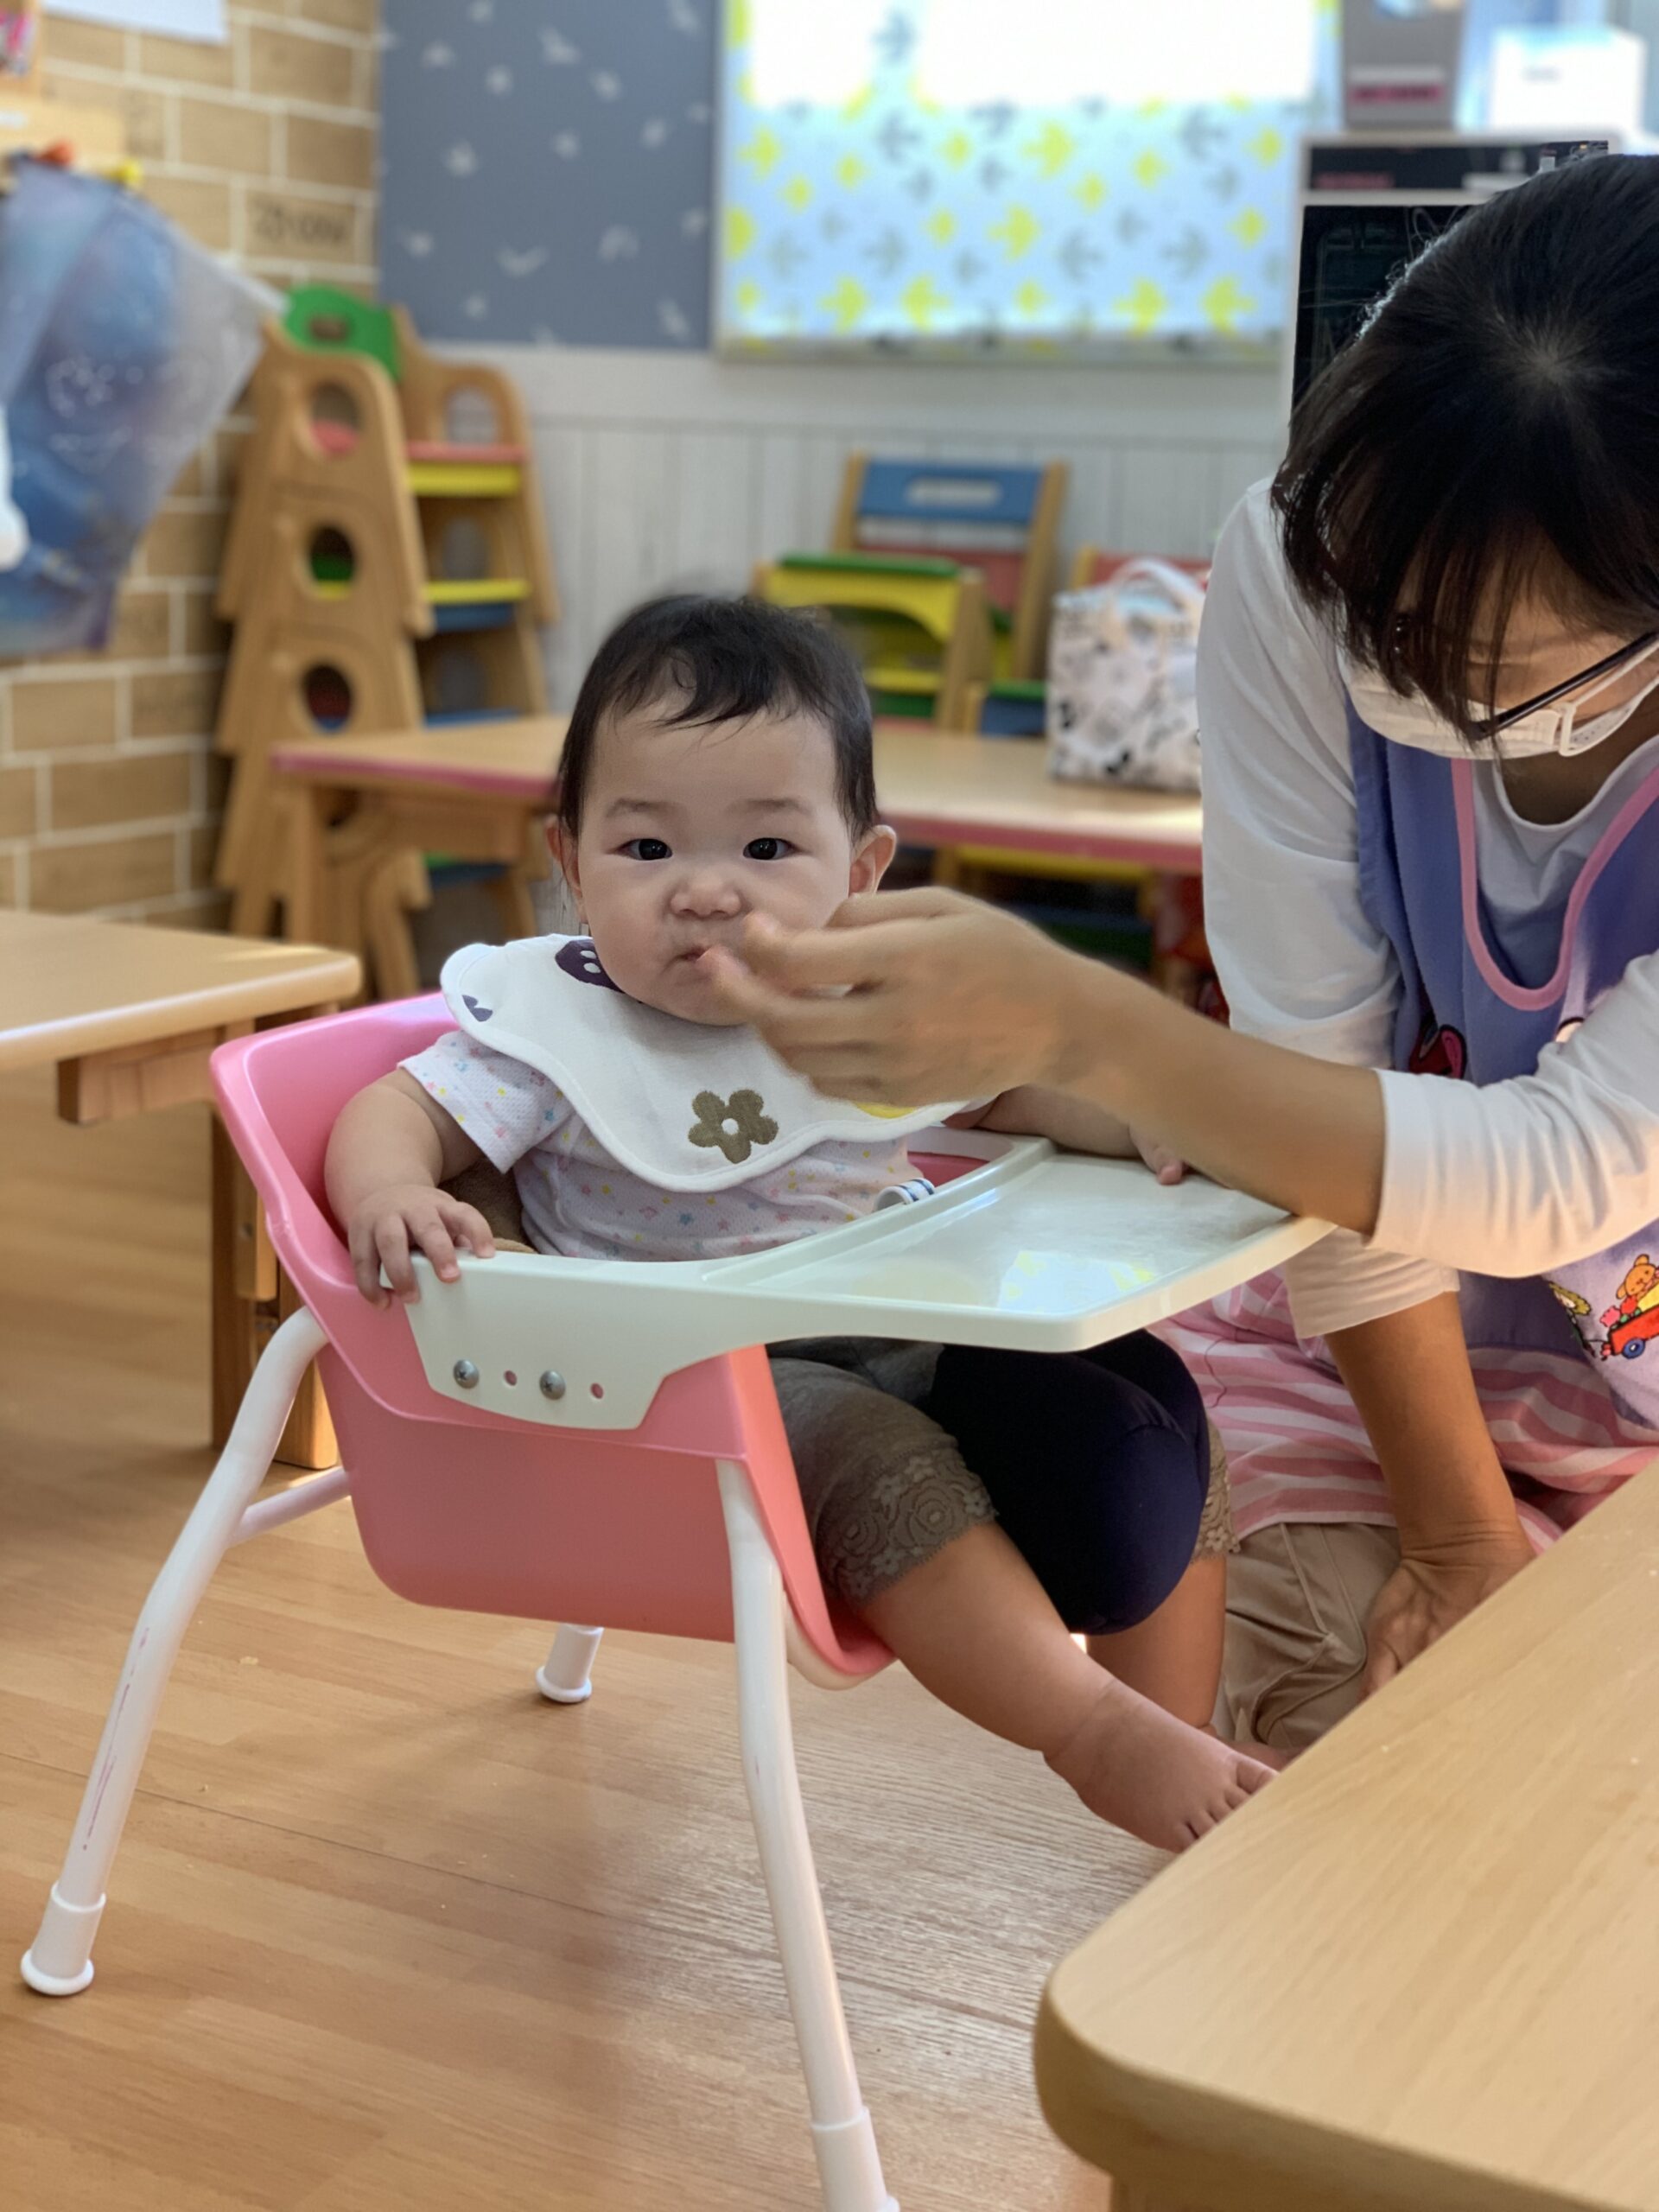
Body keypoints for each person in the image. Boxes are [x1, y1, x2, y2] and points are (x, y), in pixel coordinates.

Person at [707, 154, 1659, 1754]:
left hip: (1612, 1326)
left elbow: (1563, 1168)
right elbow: (1311, 1099)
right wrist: (1453, 1532)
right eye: (1364, 597)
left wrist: (1090, 1031)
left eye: (1465, 657)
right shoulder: (1298, 560)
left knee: (1570, 1799)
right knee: (1373, 1755)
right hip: (1376, 1347)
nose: (1382, 659)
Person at [325, 594, 1274, 1848]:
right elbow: (398, 1108)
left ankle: (1184, 1739)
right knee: (874, 1457)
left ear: (862, 871)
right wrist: (392, 1190)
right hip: (688, 1388)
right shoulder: (556, 1035)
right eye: (647, 848)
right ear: (570, 860)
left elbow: (1011, 1092)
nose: (706, 892)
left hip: (907, 1321)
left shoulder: (867, 1008)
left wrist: (1148, 1117)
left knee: (1144, 1396)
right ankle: (1093, 1732)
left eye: (767, 847)